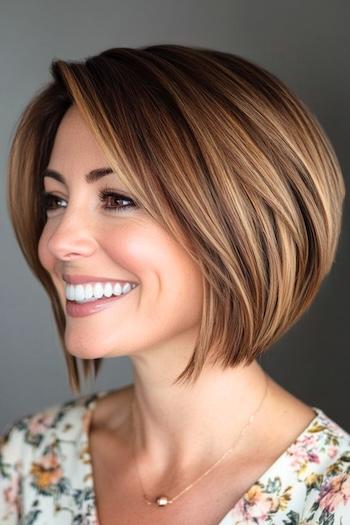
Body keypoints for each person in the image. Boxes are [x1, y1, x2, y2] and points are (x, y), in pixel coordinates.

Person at [1, 44, 349, 525]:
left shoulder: (333, 498)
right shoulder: (26, 460)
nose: (59, 241)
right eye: (56, 200)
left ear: (242, 225)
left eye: (118, 199)